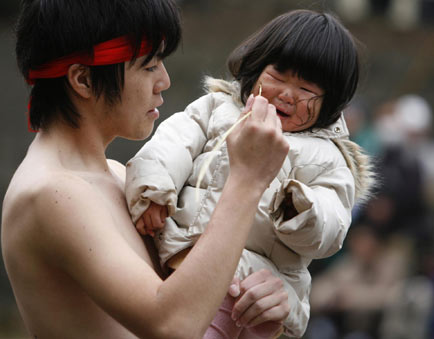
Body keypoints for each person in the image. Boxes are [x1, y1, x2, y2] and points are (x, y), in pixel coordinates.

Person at [1, 1, 291, 338]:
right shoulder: (52, 192)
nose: (164, 81)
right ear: (83, 79)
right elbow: (173, 324)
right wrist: (246, 181)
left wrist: (253, 309)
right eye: (149, 66)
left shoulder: (115, 175)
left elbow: (193, 310)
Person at [125, 9, 375, 338]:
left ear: (331, 102)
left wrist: (298, 207)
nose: (287, 93)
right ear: (256, 68)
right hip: (172, 252)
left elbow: (332, 226)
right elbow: (171, 145)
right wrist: (153, 191)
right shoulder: (217, 109)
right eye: (279, 75)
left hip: (244, 292)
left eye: (307, 87)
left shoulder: (328, 158)